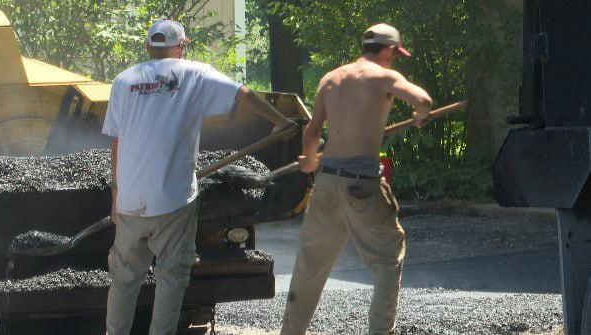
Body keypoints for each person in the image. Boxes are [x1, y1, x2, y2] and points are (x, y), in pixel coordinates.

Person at [102, 19, 295, 335]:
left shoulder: (125, 81)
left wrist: (116, 197)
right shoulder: (194, 73)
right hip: (173, 200)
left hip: (130, 201)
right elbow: (242, 94)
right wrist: (280, 120)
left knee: (124, 278)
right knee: (171, 277)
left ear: (150, 47)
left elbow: (116, 142)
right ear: (180, 46)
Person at [280, 23, 433, 335]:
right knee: (388, 260)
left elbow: (312, 133)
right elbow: (424, 101)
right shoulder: (385, 77)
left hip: (327, 182)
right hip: (361, 183)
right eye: (396, 54)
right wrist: (420, 115)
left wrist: (309, 163)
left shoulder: (331, 79)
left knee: (310, 266)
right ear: (390, 50)